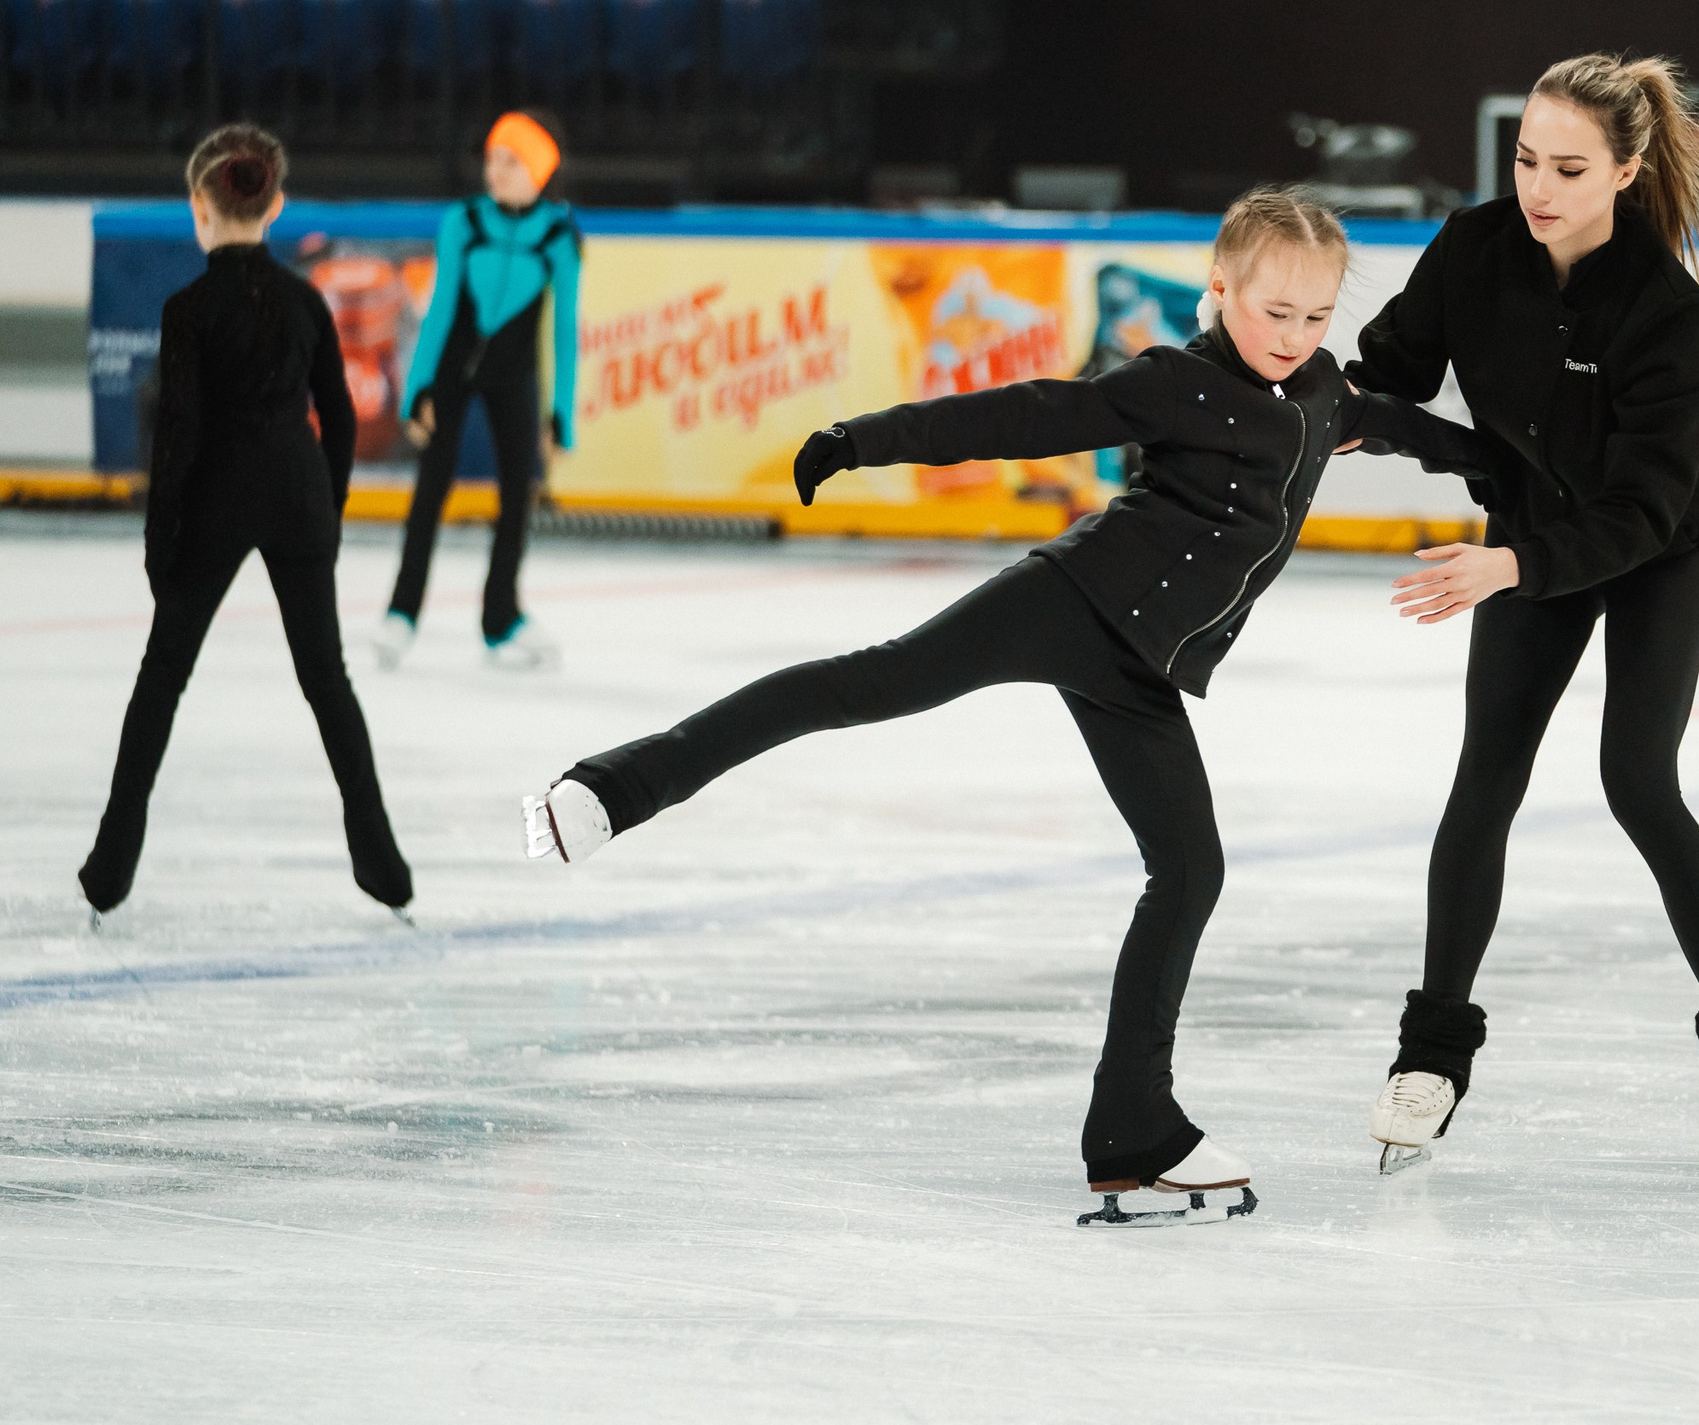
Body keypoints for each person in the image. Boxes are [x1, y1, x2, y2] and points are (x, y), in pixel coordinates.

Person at [518, 188, 1499, 1225]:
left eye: (1313, 318)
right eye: (1272, 314)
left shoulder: (1324, 397)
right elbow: (1027, 413)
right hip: (1068, 604)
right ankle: (612, 789)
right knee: (861, 686)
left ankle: (1132, 1127)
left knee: (1190, 868)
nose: (1293, 337)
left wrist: (1532, 477)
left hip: (1140, 669)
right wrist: (863, 439)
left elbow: (1407, 431)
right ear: (1219, 291)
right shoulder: (1177, 382)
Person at [1348, 52, 1699, 1192]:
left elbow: (1644, 509)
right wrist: (1314, 404)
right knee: (1483, 782)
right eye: (1524, 162)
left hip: (1646, 552)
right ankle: (1429, 1058)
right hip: (1525, 538)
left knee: (1638, 782)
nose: (1539, 189)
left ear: (1626, 170)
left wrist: (1509, 565)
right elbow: (1391, 369)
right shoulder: (1473, 247)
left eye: (1567, 168)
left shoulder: (1662, 309)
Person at [80, 125, 413, 920]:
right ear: (277, 205)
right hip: (296, 488)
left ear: (200, 207)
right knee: (327, 681)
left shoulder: (189, 308)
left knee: (162, 678)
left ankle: (110, 867)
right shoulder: (305, 298)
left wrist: (162, 546)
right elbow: (333, 410)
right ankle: (384, 865)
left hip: (220, 494)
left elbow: (178, 431)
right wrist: (324, 510)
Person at [375, 111, 582, 672]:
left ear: (538, 170)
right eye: (491, 158)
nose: (494, 170)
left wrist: (561, 412)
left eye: (509, 160)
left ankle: (501, 618)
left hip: (514, 376)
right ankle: (402, 610)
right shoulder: (463, 221)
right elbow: (440, 311)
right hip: (452, 370)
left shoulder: (561, 237)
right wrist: (417, 390)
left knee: (518, 494)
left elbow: (565, 330)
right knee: (431, 487)